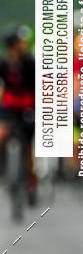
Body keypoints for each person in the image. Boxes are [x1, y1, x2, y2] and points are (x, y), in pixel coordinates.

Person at [0, 26, 37, 202]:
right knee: (1, 134)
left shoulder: (31, 64)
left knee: (28, 146)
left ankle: (31, 180)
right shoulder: (4, 64)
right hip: (8, 109)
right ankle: (5, 168)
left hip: (29, 109)